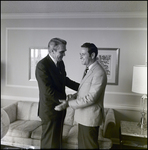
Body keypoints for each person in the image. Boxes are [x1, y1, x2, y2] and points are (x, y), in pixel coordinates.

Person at [55, 42, 107, 149]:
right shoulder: (88, 70)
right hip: (84, 118)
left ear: (92, 55)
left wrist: (68, 104)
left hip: (90, 119)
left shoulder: (99, 72)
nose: (80, 57)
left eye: (83, 54)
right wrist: (74, 96)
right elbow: (85, 90)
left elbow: (91, 98)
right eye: (80, 54)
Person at [35, 38, 79, 149]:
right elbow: (47, 91)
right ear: (52, 51)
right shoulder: (42, 65)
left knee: (56, 142)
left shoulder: (60, 63)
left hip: (59, 109)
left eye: (64, 51)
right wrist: (67, 100)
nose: (64, 54)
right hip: (49, 111)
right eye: (62, 52)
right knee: (48, 144)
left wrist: (81, 87)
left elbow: (64, 80)